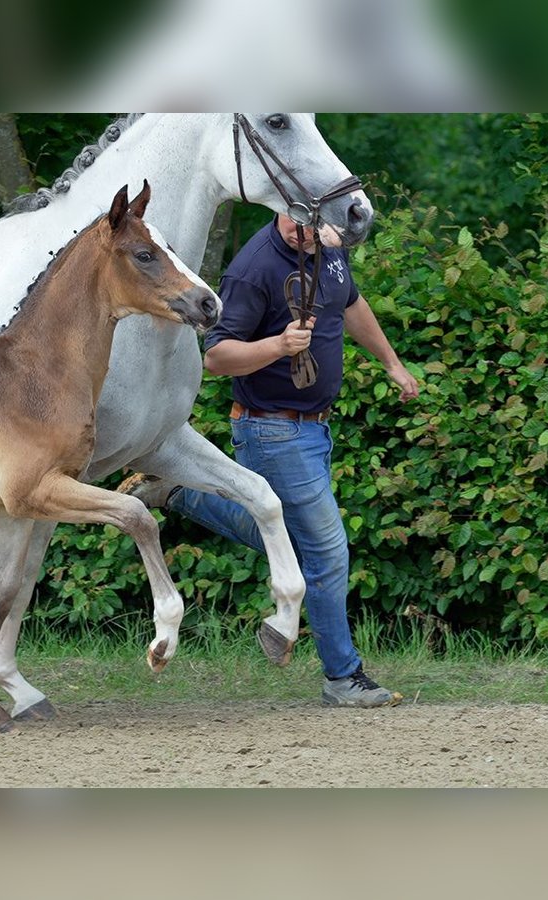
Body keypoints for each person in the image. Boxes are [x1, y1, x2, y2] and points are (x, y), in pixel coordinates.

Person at [164, 213, 420, 706]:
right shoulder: (253, 268)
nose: (299, 230)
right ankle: (342, 678)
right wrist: (279, 345)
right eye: (290, 219)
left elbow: (351, 303)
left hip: (315, 426)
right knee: (325, 554)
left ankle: (180, 493)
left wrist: (391, 363)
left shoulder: (330, 244)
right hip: (272, 428)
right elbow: (216, 358)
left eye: (309, 222)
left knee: (301, 549)